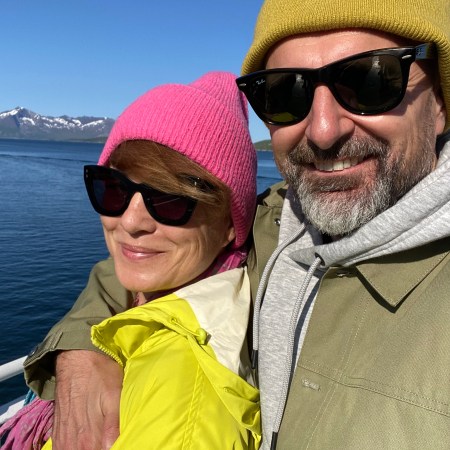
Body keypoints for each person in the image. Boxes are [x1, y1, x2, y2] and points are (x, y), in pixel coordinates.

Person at [22, 0, 450, 448]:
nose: (323, 130)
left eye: (371, 82)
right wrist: (84, 349)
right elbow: (146, 257)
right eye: (285, 94)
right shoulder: (272, 223)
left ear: (440, 100)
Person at [3, 71, 261, 449]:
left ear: (229, 226)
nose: (129, 221)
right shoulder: (142, 310)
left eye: (171, 199)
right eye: (112, 189)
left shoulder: (184, 390)